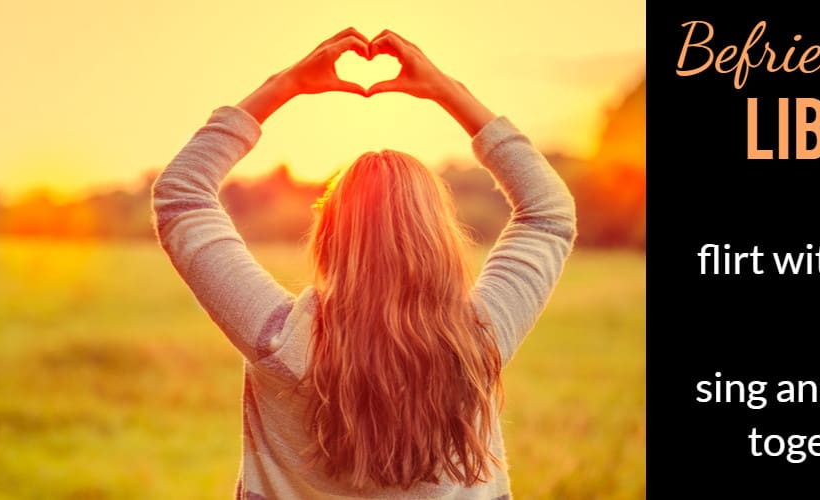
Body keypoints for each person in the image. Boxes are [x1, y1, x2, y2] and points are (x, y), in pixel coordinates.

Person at [152, 27, 576, 499]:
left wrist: (285, 84)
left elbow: (182, 194)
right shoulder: (480, 335)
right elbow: (548, 214)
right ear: (439, 237)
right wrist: (447, 91)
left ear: (329, 237)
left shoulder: (281, 340)